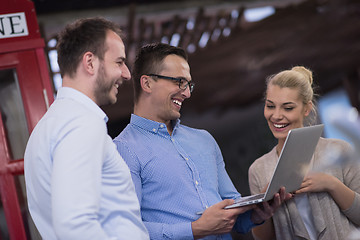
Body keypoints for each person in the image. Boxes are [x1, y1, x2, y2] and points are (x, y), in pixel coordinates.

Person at [113, 42, 290, 239]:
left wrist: (257, 212)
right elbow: (127, 231)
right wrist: (195, 229)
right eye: (179, 82)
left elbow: (232, 211)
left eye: (188, 84)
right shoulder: (123, 149)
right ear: (147, 83)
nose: (187, 93)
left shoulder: (204, 140)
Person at [24, 17, 149, 240]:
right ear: (90, 63)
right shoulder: (81, 123)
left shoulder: (49, 125)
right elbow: (75, 225)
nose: (127, 73)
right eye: (119, 62)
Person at [248, 66, 360, 240]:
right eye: (270, 106)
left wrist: (331, 183)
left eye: (288, 108)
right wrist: (263, 212)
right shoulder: (258, 170)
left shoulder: (339, 150)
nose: (276, 116)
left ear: (306, 109)